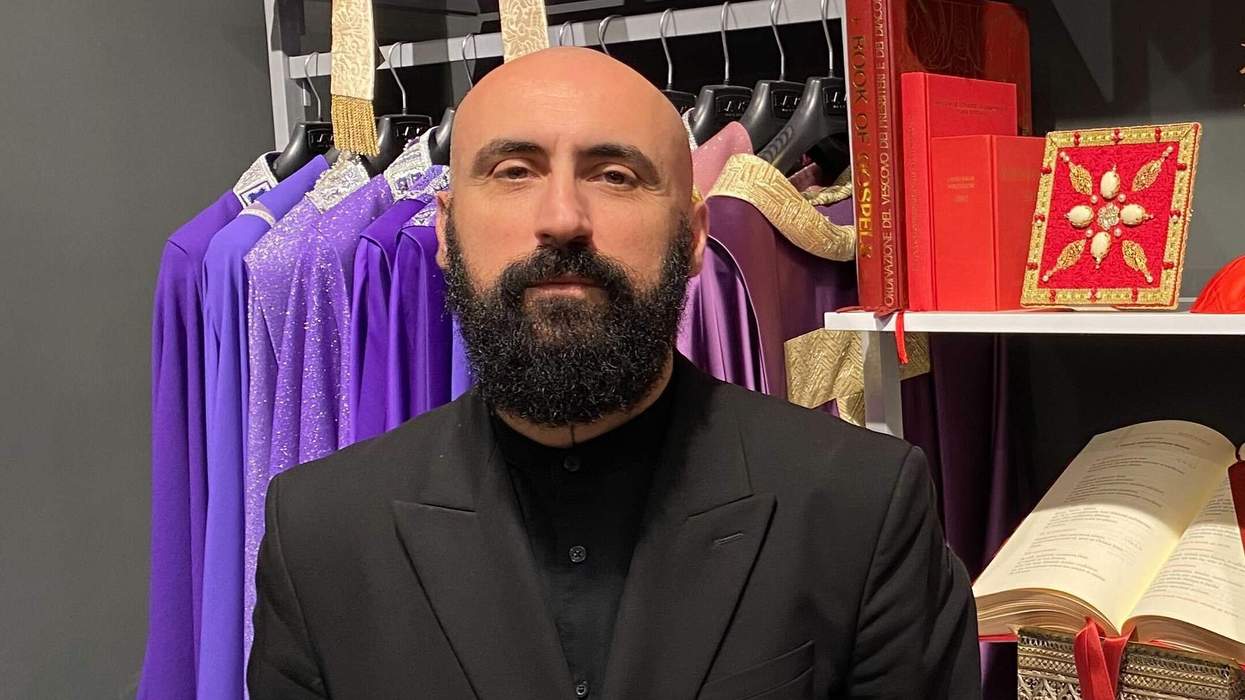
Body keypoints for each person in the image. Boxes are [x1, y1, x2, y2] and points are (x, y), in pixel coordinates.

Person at [248, 46, 980, 699]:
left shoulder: (860, 507)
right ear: (445, 230)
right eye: (513, 171)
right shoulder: (320, 538)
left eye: (614, 175)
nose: (563, 217)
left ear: (692, 237)